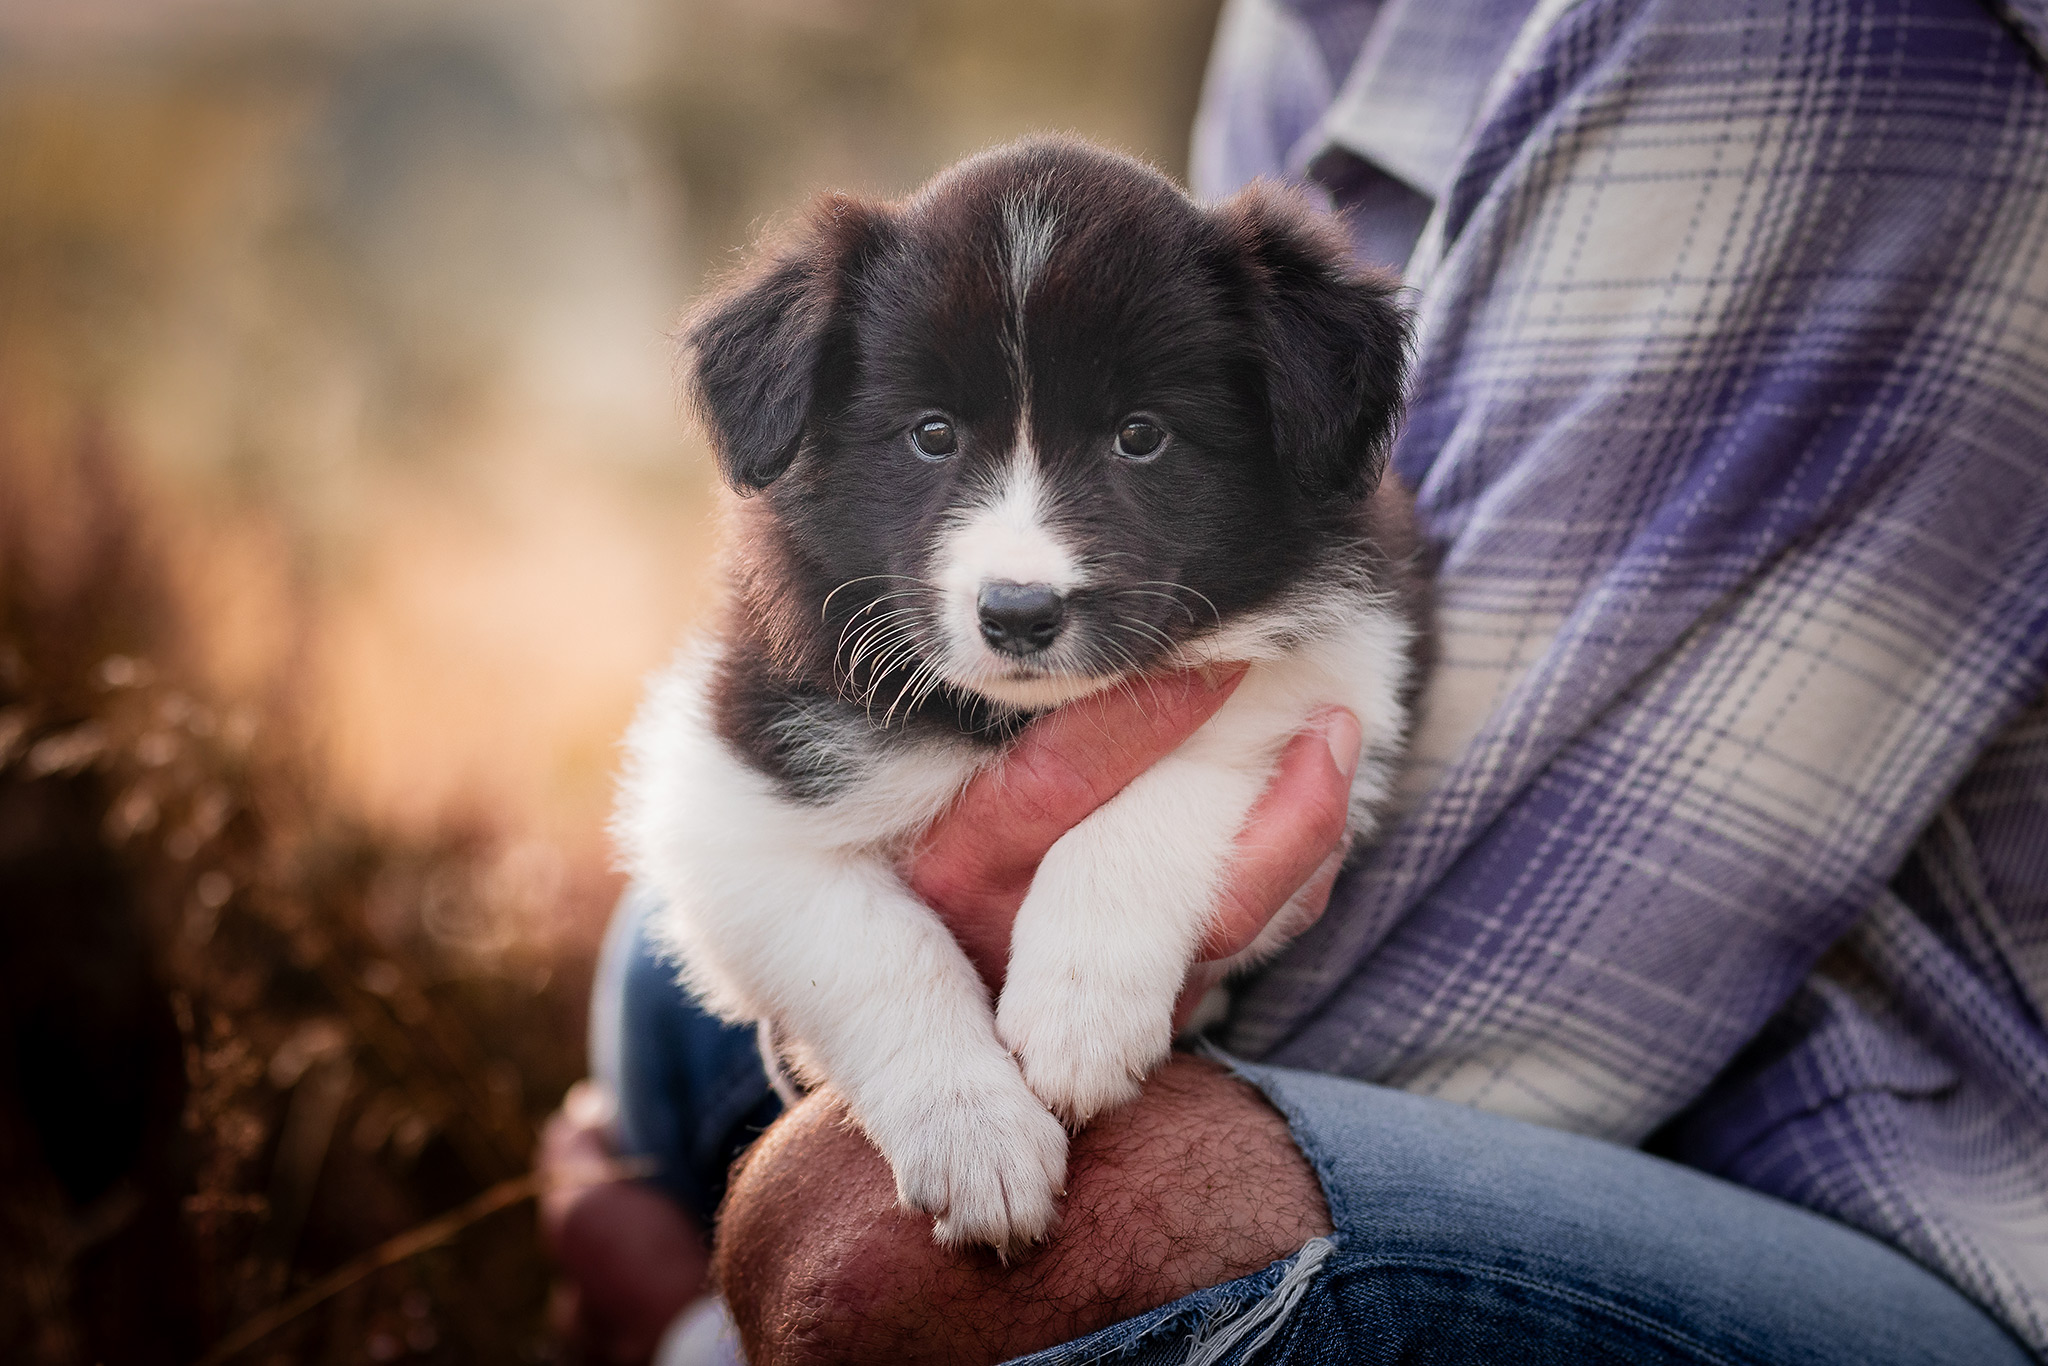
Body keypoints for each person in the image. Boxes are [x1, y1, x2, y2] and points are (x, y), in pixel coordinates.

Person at [542, 0, 2048, 1361]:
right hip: (1174, 937)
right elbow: (718, 819)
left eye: (1136, 444)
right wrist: (907, 1001)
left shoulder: (1849, 46)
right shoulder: (1315, 27)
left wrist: (1107, 898)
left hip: (1881, 1188)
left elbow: (1486, 990)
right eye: (934, 440)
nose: (1026, 552)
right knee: (666, 970)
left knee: (865, 1228)